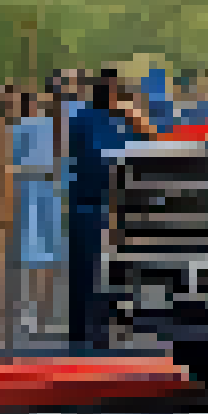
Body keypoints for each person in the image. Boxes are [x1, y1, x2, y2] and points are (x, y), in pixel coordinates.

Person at [65, 72, 145, 351]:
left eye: (119, 89)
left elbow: (153, 147)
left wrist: (138, 120)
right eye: (111, 89)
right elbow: (90, 157)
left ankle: (107, 330)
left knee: (115, 273)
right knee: (86, 270)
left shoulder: (128, 120)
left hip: (120, 207)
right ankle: (81, 331)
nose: (116, 94)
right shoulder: (83, 119)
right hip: (89, 204)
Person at [11, 89, 64, 342]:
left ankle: (43, 311)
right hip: (28, 192)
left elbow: (60, 161)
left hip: (46, 192)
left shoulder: (49, 127)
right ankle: (28, 310)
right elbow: (11, 166)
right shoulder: (17, 130)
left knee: (50, 255)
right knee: (30, 255)